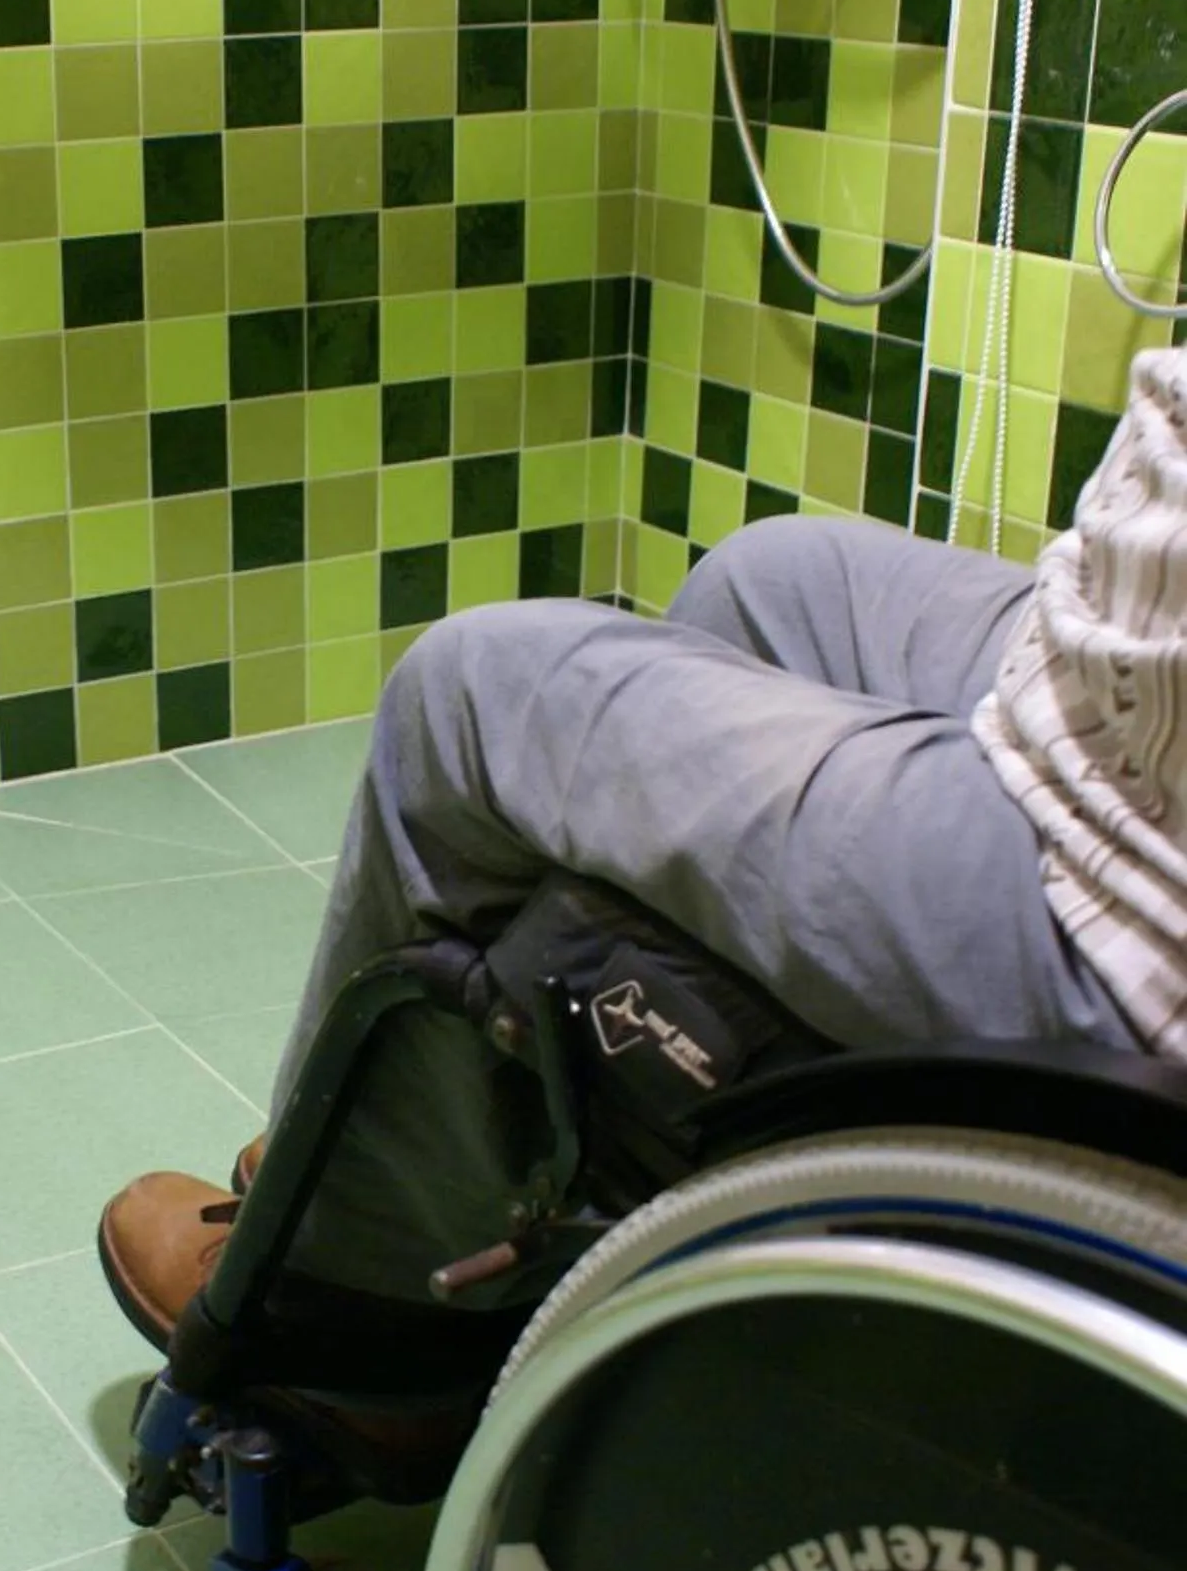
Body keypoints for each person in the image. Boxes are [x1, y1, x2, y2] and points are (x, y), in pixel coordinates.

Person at [100, 344, 1187, 1347]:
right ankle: (561, 1212)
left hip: (1122, 902)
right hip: (1112, 711)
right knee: (769, 582)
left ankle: (345, 1305)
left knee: (472, 693)